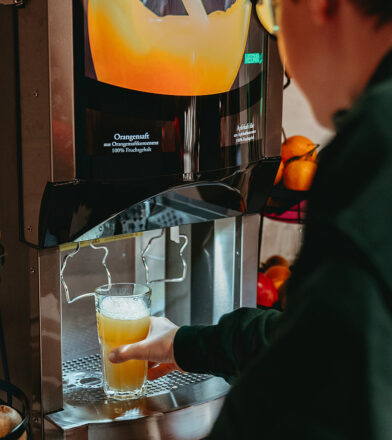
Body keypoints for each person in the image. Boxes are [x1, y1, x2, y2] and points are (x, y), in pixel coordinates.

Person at [109, 0, 392, 437]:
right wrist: (184, 344)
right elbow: (319, 346)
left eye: (272, 15)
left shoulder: (378, 139)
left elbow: (312, 399)